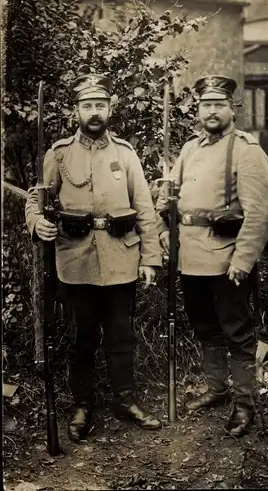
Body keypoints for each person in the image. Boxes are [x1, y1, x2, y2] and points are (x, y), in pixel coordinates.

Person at [25, 73, 163, 442]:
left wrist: (150, 258)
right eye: (87, 106)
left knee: (122, 337)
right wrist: (37, 222)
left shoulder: (125, 153)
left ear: (110, 109)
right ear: (77, 111)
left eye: (100, 105)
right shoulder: (58, 154)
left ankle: (126, 401)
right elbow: (35, 197)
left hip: (121, 260)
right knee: (79, 339)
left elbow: (145, 209)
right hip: (76, 263)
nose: (94, 112)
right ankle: (83, 405)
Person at [156, 75, 268, 437]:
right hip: (190, 258)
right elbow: (168, 197)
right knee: (205, 327)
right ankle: (218, 390)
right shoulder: (191, 149)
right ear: (198, 109)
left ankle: (244, 404)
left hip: (226, 261)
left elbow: (261, 213)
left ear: (231, 109)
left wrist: (243, 260)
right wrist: (164, 231)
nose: (211, 111)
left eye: (218, 105)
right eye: (205, 105)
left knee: (237, 333)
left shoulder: (245, 150)